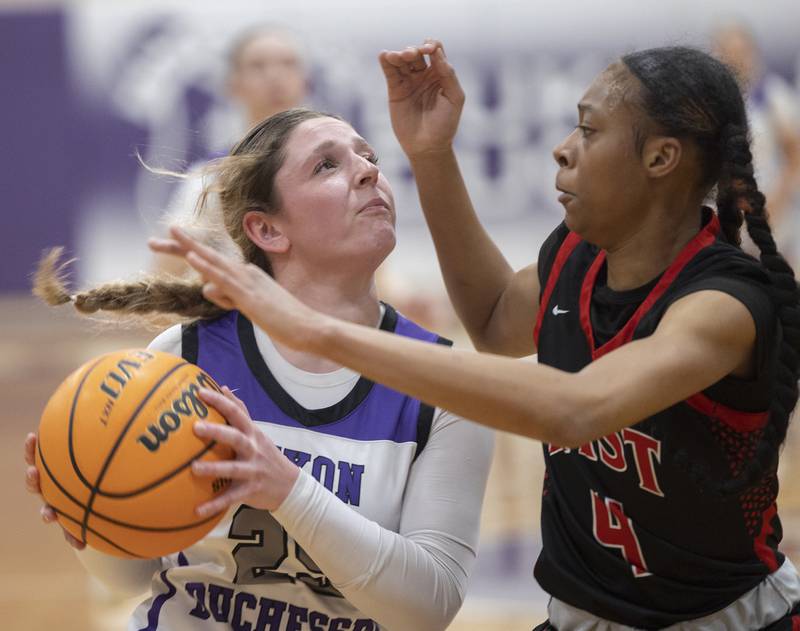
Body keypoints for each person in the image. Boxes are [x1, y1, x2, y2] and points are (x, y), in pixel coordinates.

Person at [149, 41, 800, 629]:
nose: (563, 148)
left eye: (589, 128)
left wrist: (318, 331)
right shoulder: (576, 261)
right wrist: (431, 154)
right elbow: (491, 319)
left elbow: (574, 409)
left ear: (659, 157)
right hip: (582, 617)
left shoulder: (725, 304)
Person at [25, 108, 494, 631]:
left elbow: (428, 608)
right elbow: (131, 579)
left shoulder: (445, 384)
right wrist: (88, 517)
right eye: (327, 165)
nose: (368, 171)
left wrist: (289, 491)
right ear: (267, 229)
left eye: (369, 157)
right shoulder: (185, 360)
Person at [154, 25, 311, 276]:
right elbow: (163, 275)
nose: (275, 76)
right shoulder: (212, 177)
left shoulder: (337, 169)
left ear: (305, 82)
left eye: (288, 64)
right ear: (233, 85)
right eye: (258, 66)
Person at [712, 21, 800, 271]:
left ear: (752, 52)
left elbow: (795, 154)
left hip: (770, 208)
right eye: (727, 52)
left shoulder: (771, 95)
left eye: (740, 51)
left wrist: (778, 200)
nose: (735, 59)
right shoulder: (711, 102)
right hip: (726, 214)